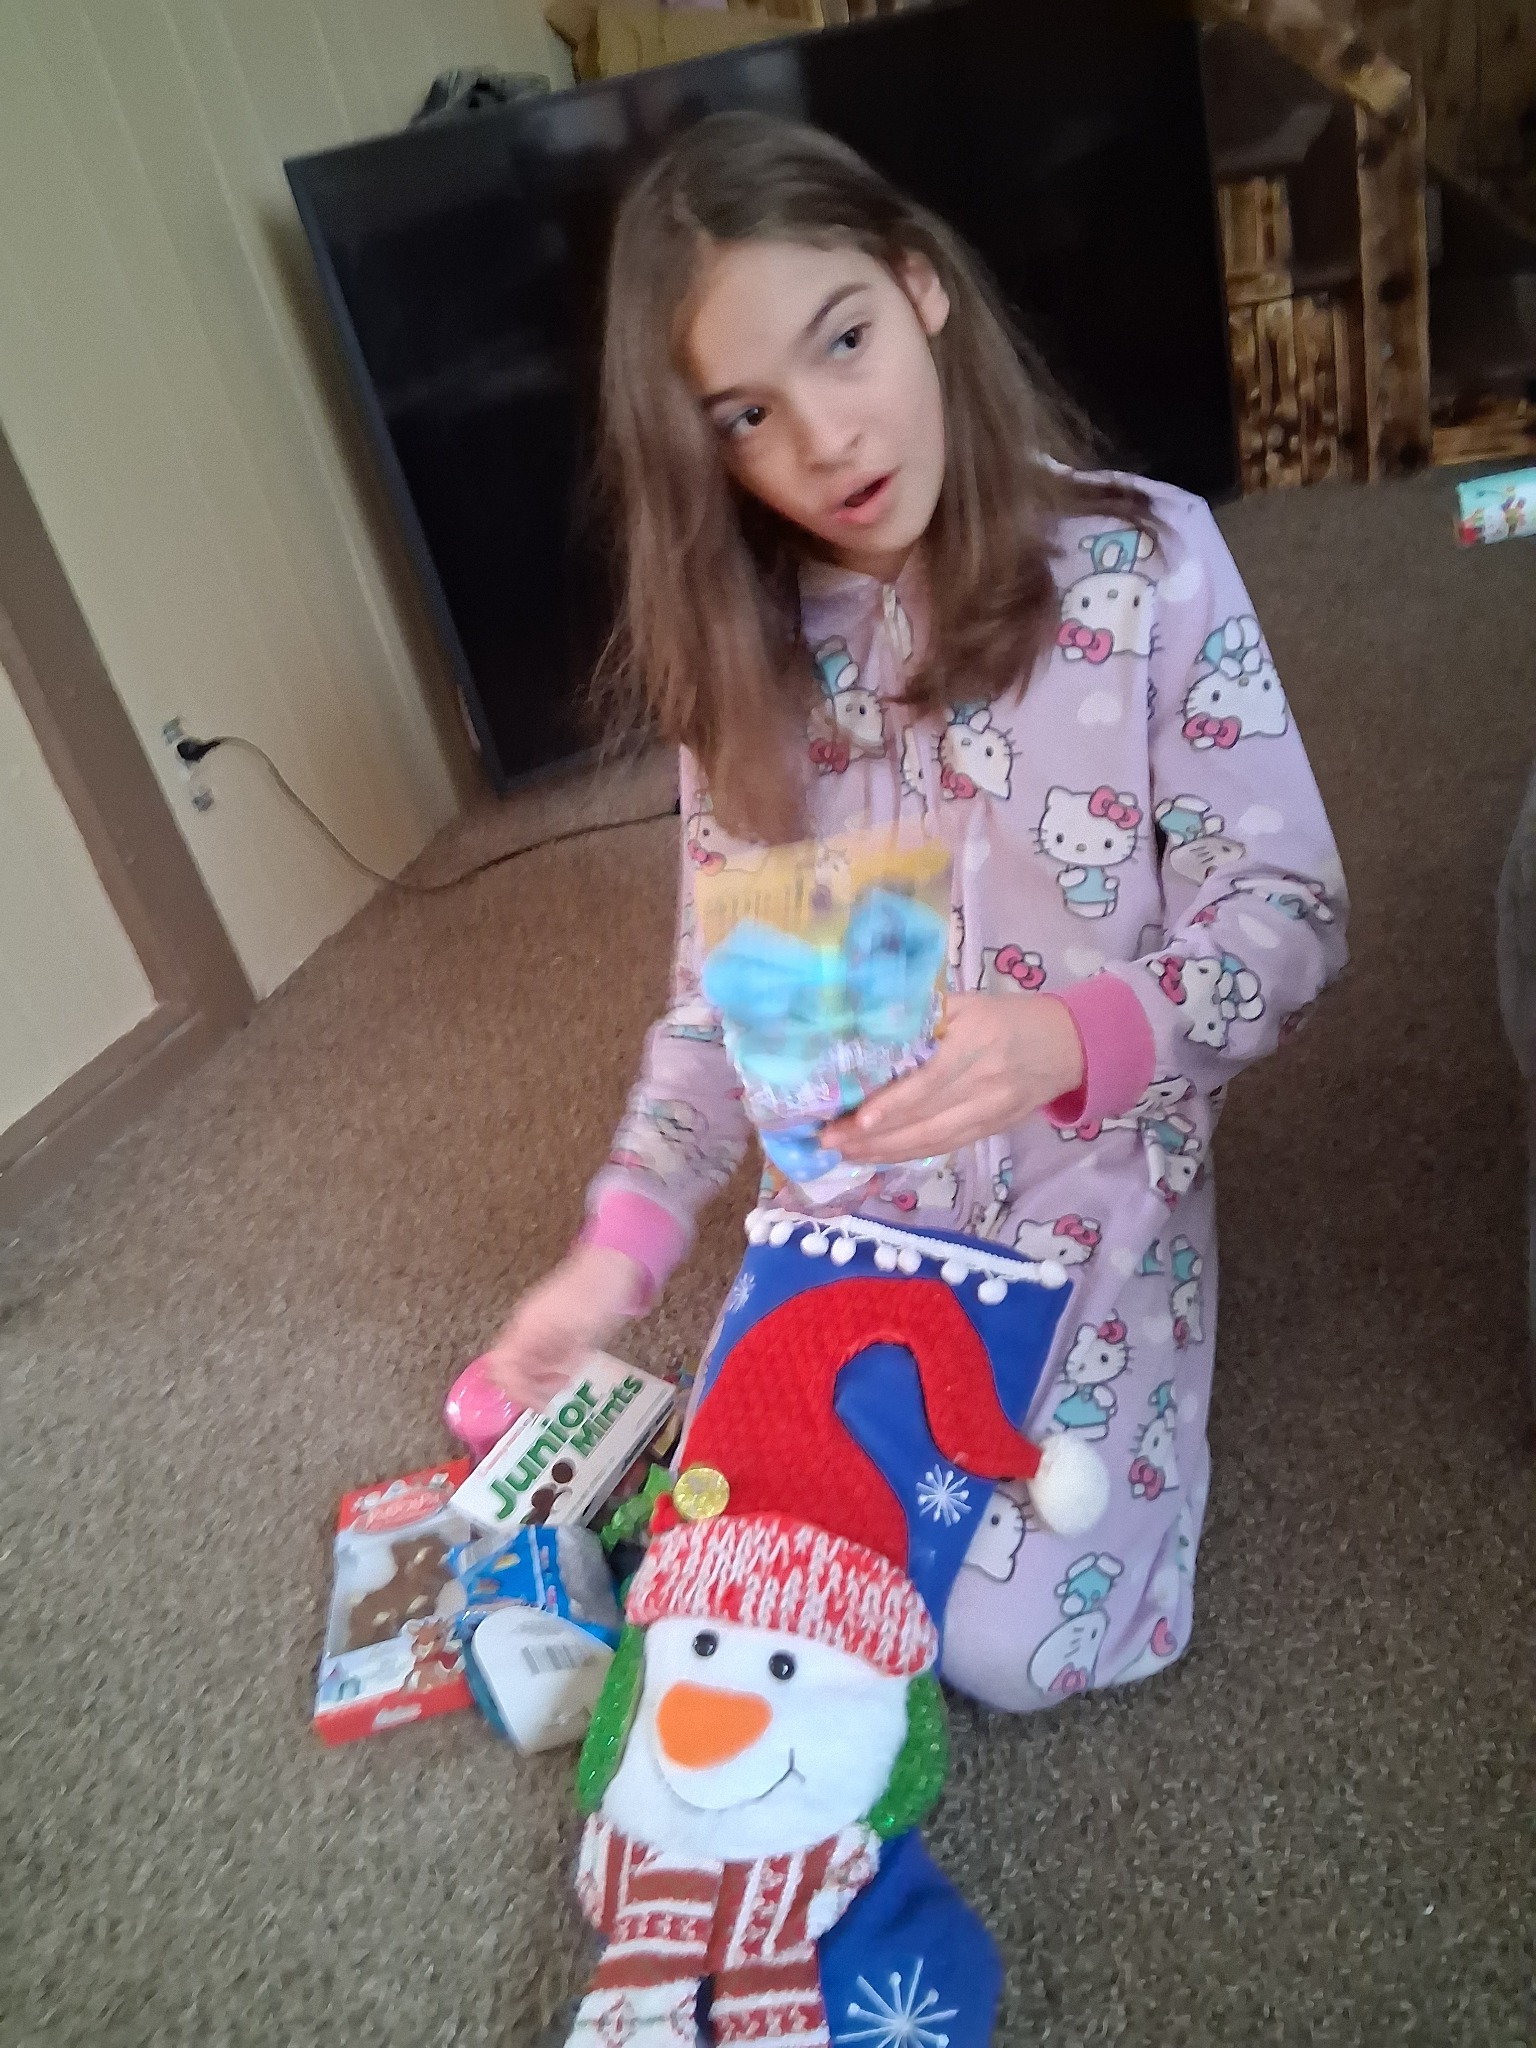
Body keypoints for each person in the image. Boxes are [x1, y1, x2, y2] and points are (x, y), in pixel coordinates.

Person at [467, 112, 1347, 1710]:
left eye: (845, 340)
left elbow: (1287, 917)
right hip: (848, 1214)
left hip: (1089, 1177)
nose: (826, 441)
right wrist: (616, 1253)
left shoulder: (1146, 565)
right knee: (733, 1582)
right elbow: (718, 1008)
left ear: (921, 287)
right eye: (748, 414)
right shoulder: (739, 661)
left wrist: (1064, 1040)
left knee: (1007, 1645)